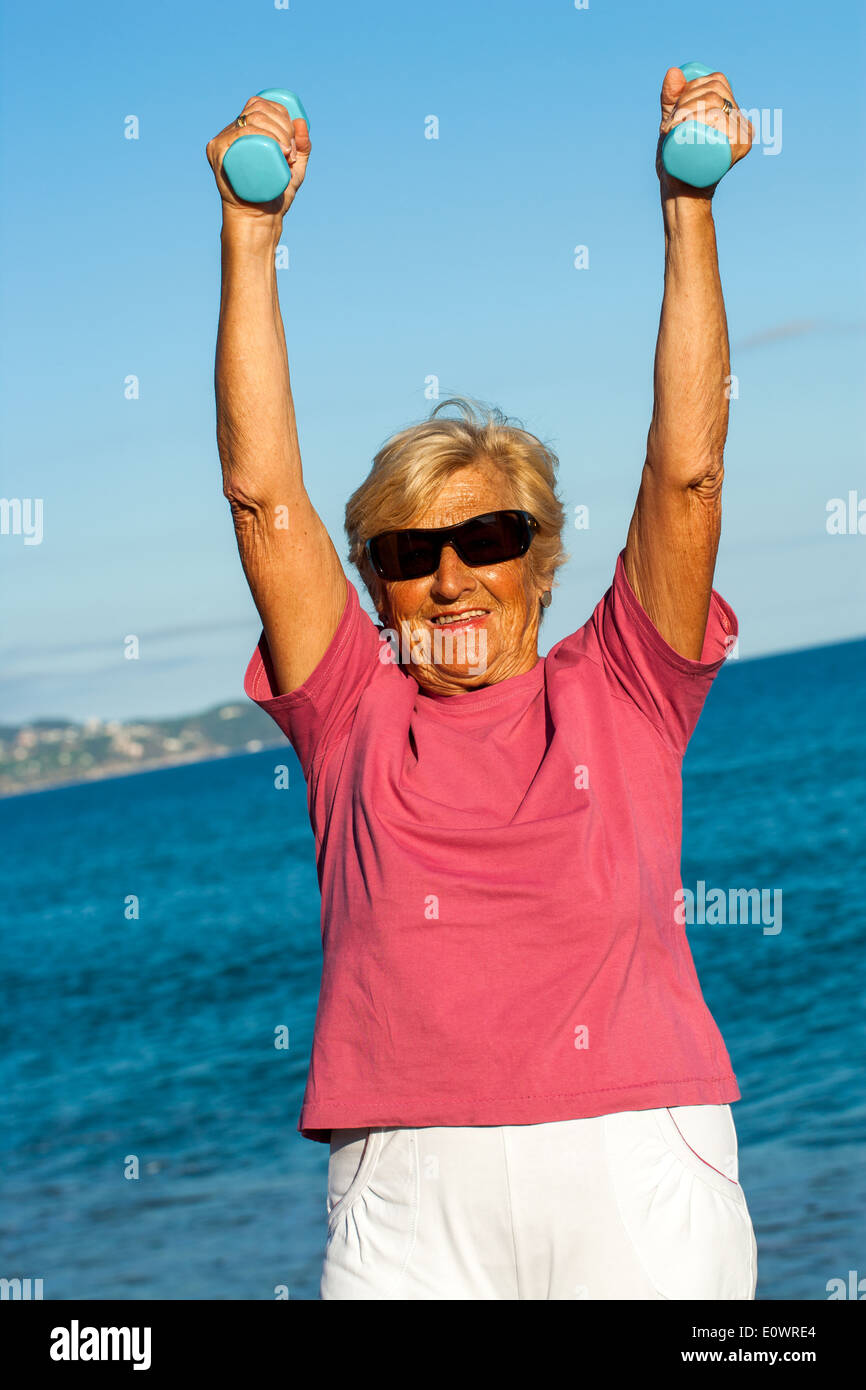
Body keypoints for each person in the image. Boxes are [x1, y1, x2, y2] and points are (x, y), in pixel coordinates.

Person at [206, 66, 758, 1301]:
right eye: (409, 555)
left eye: (488, 540)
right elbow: (261, 498)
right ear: (377, 583)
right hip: (406, 1185)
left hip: (634, 1162)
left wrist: (686, 209)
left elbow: (687, 475)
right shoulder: (354, 713)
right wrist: (251, 240)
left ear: (541, 557)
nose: (451, 579)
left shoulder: (622, 682)